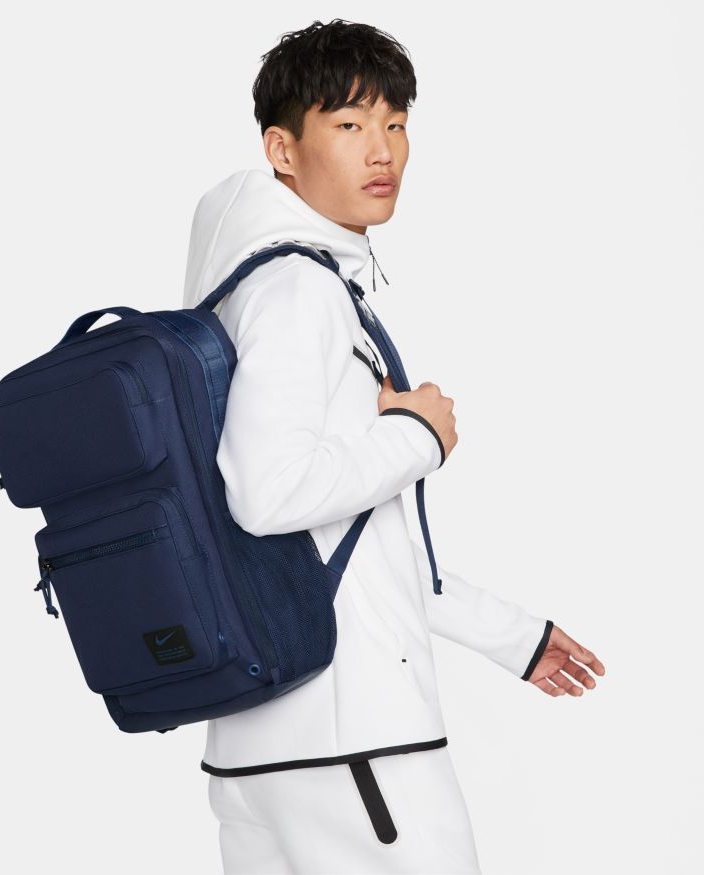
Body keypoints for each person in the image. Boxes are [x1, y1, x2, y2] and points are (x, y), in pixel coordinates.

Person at [181, 18, 605, 875]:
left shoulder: (243, 287)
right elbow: (265, 494)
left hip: (267, 743)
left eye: (396, 123)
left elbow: (353, 544)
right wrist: (417, 435)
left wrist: (512, 635)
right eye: (347, 124)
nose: (382, 150)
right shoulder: (297, 290)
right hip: (355, 745)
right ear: (282, 148)